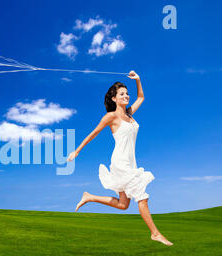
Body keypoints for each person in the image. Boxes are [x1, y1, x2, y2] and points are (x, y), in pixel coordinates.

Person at [67, 71, 173, 246]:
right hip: (120, 162)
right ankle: (155, 233)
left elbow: (141, 97)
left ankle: (89, 196)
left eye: (126, 93)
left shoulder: (129, 114)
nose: (126, 96)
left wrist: (138, 79)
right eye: (121, 94)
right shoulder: (111, 117)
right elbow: (93, 134)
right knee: (141, 196)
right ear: (114, 98)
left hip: (131, 162)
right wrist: (76, 151)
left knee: (124, 205)